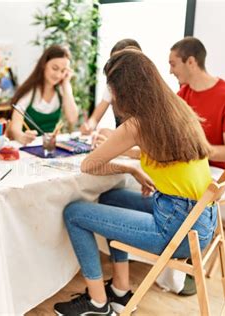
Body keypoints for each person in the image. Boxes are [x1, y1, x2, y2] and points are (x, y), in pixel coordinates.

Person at [54, 49, 216, 315]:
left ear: (124, 89)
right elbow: (162, 152)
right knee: (110, 197)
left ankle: (97, 303)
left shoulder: (137, 124)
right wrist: (130, 161)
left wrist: (127, 166)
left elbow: (88, 164)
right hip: (200, 223)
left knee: (74, 213)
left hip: (177, 231)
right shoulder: (177, 110)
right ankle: (120, 290)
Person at [169, 36, 225, 198]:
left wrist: (199, 152)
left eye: (173, 64)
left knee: (196, 193)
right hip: (190, 166)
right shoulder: (182, 95)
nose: (170, 71)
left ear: (191, 62)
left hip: (221, 172)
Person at [8, 45, 78, 145]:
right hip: (29, 146)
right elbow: (15, 126)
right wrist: (22, 136)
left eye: (63, 71)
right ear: (44, 64)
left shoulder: (61, 92)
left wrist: (66, 85)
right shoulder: (31, 92)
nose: (58, 75)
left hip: (50, 147)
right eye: (55, 68)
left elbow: (72, 118)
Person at [80, 38, 142, 136]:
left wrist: (112, 134)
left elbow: (143, 137)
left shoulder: (146, 91)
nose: (115, 66)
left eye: (120, 61)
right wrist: (89, 126)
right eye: (112, 62)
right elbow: (95, 118)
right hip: (121, 147)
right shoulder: (112, 86)